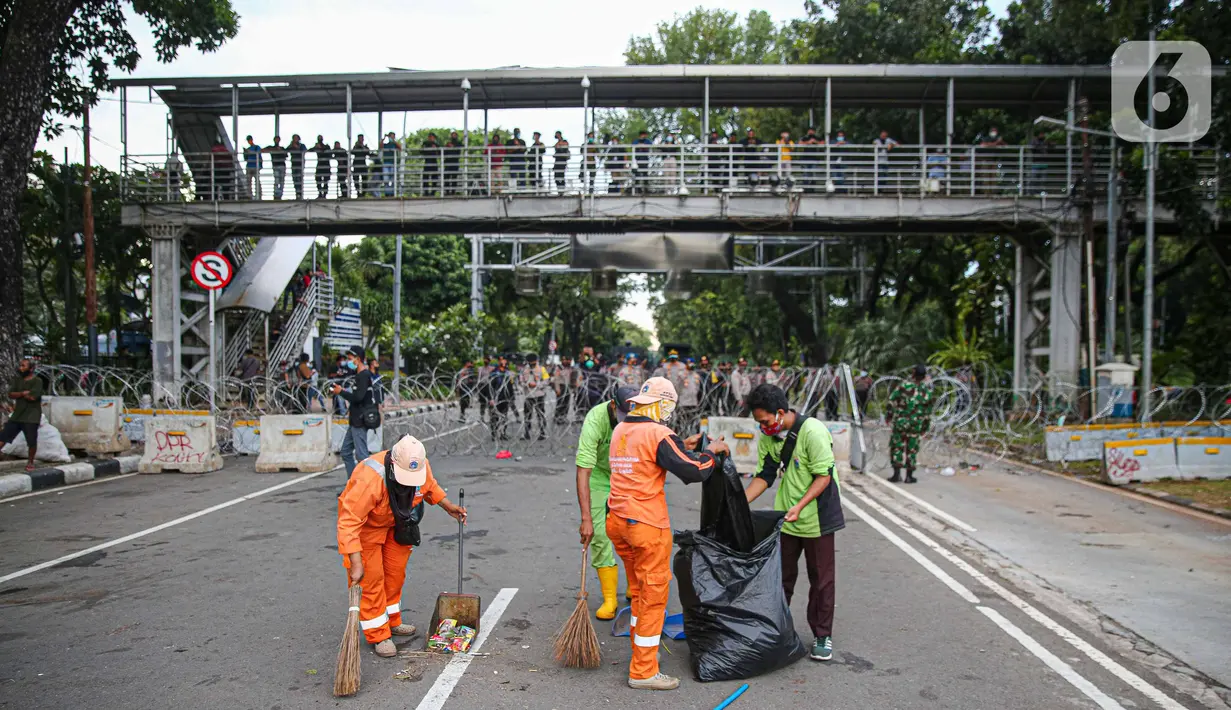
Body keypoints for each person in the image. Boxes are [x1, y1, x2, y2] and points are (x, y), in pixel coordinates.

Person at [607, 377, 728, 691]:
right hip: (646, 525)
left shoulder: (622, 429)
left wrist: (681, 446)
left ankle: (641, 648)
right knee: (653, 596)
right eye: (668, 408)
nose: (669, 415)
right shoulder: (659, 433)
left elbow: (655, 456)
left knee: (638, 589)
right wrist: (712, 453)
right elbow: (693, 471)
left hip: (618, 521)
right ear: (661, 404)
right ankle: (643, 670)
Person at [337, 435, 467, 657]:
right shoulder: (370, 478)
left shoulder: (419, 465)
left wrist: (447, 506)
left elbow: (428, 487)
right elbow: (348, 521)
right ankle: (379, 634)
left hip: (398, 524)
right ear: (393, 465)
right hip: (368, 529)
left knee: (395, 574)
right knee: (371, 579)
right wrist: (355, 561)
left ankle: (393, 620)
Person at [743, 383, 843, 663]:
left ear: (780, 412)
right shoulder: (769, 437)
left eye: (765, 421)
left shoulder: (813, 431)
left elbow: (823, 475)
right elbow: (765, 475)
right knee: (781, 577)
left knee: (821, 579)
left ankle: (822, 635)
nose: (763, 427)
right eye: (758, 422)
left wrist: (800, 506)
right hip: (787, 518)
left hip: (817, 517)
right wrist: (737, 504)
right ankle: (776, 629)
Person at [574, 386, 636, 620]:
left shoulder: (641, 418)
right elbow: (583, 470)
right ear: (613, 406)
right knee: (599, 534)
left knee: (632, 530)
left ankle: (634, 584)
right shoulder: (595, 420)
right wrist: (586, 518)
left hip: (628, 474)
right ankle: (610, 598)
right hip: (600, 475)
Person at [329, 346, 378, 476]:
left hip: (360, 420)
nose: (348, 362)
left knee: (362, 457)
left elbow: (358, 398)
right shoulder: (359, 375)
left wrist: (341, 392)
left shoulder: (364, 376)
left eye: (350, 359)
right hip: (355, 420)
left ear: (357, 359)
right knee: (345, 452)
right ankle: (353, 485)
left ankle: (367, 487)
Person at [885, 364, 932, 483]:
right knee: (912, 449)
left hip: (901, 422)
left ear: (913, 373)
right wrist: (925, 428)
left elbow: (891, 401)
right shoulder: (926, 392)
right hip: (916, 425)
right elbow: (928, 413)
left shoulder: (903, 386)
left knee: (897, 447)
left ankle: (896, 474)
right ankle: (909, 476)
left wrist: (889, 416)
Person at [1, 359, 45, 471]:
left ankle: (30, 462)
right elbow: (11, 394)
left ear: (31, 369)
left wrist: (20, 394)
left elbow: (33, 397)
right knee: (3, 436)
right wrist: (23, 393)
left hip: (32, 416)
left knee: (31, 441)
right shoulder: (17, 380)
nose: (20, 368)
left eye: (23, 366)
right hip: (17, 415)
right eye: (20, 365)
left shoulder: (37, 381)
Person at [519, 353, 549, 441]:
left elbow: (547, 380)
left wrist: (537, 385)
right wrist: (527, 384)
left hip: (539, 395)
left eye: (533, 362)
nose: (532, 363)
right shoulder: (524, 370)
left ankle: (542, 432)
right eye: (530, 362)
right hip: (528, 395)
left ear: (536, 361)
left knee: (540, 414)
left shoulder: (542, 369)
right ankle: (526, 433)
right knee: (527, 415)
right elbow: (521, 381)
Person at [487, 355, 515, 440]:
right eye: (501, 360)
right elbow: (490, 387)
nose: (503, 362)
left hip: (505, 398)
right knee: (494, 417)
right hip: (495, 398)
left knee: (504, 416)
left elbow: (510, 386)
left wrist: (511, 397)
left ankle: (503, 433)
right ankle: (494, 434)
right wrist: (490, 398)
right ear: (499, 362)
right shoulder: (494, 373)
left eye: (504, 360)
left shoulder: (508, 373)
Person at [551, 355, 575, 424]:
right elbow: (556, 379)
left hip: (568, 387)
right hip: (561, 386)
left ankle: (563, 417)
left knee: (566, 403)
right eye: (564, 360)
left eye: (568, 360)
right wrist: (557, 389)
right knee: (560, 403)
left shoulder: (570, 368)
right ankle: (557, 417)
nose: (566, 361)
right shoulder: (559, 368)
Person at [262, 136, 288, 200]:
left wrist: (280, 151)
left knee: (281, 181)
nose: (277, 141)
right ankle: (276, 194)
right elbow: (262, 150)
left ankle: (280, 195)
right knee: (276, 180)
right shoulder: (271, 147)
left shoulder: (282, 148)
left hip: (282, 165)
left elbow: (286, 155)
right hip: (275, 166)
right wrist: (272, 150)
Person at [799, 127, 822, 191]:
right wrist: (808, 142)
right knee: (805, 174)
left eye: (812, 131)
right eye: (809, 130)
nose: (810, 132)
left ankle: (812, 189)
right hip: (805, 158)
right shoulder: (805, 138)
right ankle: (805, 188)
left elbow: (823, 143)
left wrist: (815, 142)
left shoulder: (816, 137)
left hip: (814, 158)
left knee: (813, 174)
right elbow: (800, 143)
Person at [421, 132, 441, 197]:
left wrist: (436, 149)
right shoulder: (425, 143)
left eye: (432, 137)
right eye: (430, 137)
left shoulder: (436, 145)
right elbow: (421, 151)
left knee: (435, 178)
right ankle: (426, 192)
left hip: (434, 162)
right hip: (427, 162)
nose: (431, 138)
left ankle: (433, 192)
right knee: (425, 178)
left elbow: (440, 153)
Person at [288, 134, 308, 200]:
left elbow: (304, 151)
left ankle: (300, 193)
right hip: (294, 164)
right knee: (295, 179)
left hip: (300, 164)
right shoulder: (291, 145)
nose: (295, 139)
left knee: (299, 179)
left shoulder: (302, 145)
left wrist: (297, 147)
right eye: (294, 138)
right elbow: (286, 151)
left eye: (296, 138)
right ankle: (297, 193)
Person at [380, 132, 401, 197]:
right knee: (386, 179)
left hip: (393, 163)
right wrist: (384, 138)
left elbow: (400, 148)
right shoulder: (386, 144)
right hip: (386, 163)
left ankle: (392, 193)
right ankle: (387, 192)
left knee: (393, 179)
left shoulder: (394, 144)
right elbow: (381, 146)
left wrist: (393, 140)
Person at [243, 135, 263, 199]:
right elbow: (245, 159)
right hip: (249, 166)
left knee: (257, 181)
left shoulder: (257, 147)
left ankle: (259, 195)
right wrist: (245, 153)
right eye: (248, 140)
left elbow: (258, 154)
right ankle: (249, 195)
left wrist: (249, 152)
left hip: (255, 166)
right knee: (248, 181)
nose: (249, 141)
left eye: (250, 140)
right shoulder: (248, 148)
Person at [443, 131, 463, 195]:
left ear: (456, 136)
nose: (453, 136)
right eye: (452, 135)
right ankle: (447, 191)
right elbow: (444, 152)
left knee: (454, 177)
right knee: (446, 177)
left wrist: (453, 147)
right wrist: (447, 147)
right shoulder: (448, 143)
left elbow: (462, 146)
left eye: (455, 135)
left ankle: (453, 191)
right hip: (448, 162)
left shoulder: (458, 143)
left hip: (455, 162)